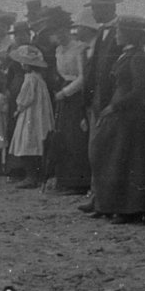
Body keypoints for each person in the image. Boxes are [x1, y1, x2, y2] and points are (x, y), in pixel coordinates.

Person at [88, 18, 145, 223]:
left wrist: (115, 106)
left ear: (129, 34)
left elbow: (139, 89)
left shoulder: (138, 57)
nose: (116, 36)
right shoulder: (127, 55)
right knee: (111, 156)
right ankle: (109, 204)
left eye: (119, 32)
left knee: (126, 160)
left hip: (130, 115)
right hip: (121, 112)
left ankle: (129, 209)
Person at [50, 19, 95, 194]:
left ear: (68, 31)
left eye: (62, 32)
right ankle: (65, 180)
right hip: (64, 93)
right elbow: (61, 72)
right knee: (64, 137)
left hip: (76, 95)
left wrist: (66, 92)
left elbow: (83, 77)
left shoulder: (79, 48)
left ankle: (80, 183)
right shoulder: (58, 50)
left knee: (76, 138)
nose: (59, 36)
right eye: (56, 33)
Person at [8, 45, 54, 188]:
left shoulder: (30, 79)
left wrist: (18, 108)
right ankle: (37, 176)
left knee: (27, 141)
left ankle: (31, 176)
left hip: (30, 114)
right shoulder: (40, 79)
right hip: (39, 114)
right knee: (36, 141)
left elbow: (25, 98)